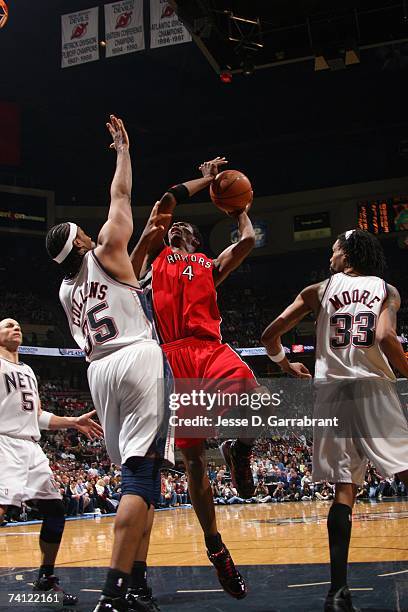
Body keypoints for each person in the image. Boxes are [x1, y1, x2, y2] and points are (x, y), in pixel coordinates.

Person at [46, 115, 173, 612]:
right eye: (83, 234)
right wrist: (124, 150)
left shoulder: (63, 289)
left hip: (99, 372)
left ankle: (138, 585)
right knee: (140, 481)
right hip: (137, 358)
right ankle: (113, 592)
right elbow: (121, 198)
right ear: (81, 242)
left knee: (141, 481)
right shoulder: (107, 251)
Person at [131, 158, 260, 599]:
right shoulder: (155, 259)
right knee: (193, 462)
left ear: (196, 238)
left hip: (210, 349)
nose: (174, 229)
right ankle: (217, 549)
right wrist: (206, 180)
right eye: (171, 228)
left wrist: (238, 207)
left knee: (256, 397)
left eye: (182, 228)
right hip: (173, 359)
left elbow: (246, 241)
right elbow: (165, 202)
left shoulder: (209, 264)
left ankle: (239, 448)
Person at [261, 228, 408, 612]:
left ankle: (338, 593)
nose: (330, 258)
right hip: (372, 388)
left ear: (347, 255)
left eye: (334, 251)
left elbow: (269, 334)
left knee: (344, 490)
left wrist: (283, 363)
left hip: (330, 395)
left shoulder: (317, 291)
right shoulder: (387, 290)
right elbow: (387, 337)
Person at [0, 317, 103, 605]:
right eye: (7, 325)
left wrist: (72, 421)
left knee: (56, 510)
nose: (15, 327)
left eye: (18, 325)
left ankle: (46, 576)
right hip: (3, 442)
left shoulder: (29, 370)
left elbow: (38, 416)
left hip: (31, 446)